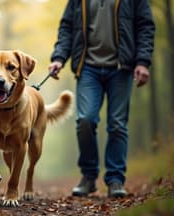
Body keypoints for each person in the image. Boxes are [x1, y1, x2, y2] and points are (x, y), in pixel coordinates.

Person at [49, 0, 155, 198]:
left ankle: (115, 179)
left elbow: (145, 26)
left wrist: (142, 61)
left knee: (117, 124)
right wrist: (59, 57)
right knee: (85, 120)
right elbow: (67, 27)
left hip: (121, 66)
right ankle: (88, 177)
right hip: (87, 67)